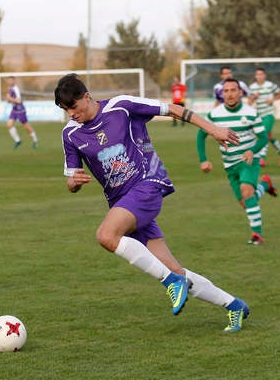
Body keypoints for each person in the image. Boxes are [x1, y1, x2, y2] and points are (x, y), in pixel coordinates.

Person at [55, 73, 251, 333]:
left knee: (106, 235)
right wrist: (74, 183)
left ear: (86, 96)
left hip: (147, 184)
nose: (71, 113)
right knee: (174, 269)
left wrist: (213, 130)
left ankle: (169, 282)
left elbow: (172, 109)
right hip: (122, 203)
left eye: (73, 106)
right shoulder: (70, 134)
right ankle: (234, 305)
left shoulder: (121, 106)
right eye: (65, 109)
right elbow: (71, 180)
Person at [197, 78, 277, 246]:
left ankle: (257, 235)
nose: (230, 94)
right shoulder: (215, 115)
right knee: (246, 203)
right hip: (229, 165)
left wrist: (252, 151)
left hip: (249, 161)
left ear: (240, 93)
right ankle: (265, 185)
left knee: (247, 192)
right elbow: (201, 135)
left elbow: (263, 138)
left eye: (233, 90)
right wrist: (203, 160)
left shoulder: (251, 113)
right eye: (226, 91)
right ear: (222, 94)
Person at [248, 66, 280, 167]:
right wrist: (254, 97)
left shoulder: (270, 85)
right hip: (259, 115)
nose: (259, 76)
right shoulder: (252, 87)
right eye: (257, 75)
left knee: (264, 134)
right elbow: (249, 102)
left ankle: (262, 158)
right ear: (255, 76)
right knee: (269, 136)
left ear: (264, 75)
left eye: (261, 74)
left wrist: (272, 99)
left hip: (269, 114)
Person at [5, 76, 39, 149]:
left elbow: (19, 101)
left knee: (26, 127)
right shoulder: (9, 89)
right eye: (8, 81)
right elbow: (9, 101)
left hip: (20, 110)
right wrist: (8, 99)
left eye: (10, 80)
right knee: (9, 124)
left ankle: (35, 140)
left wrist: (9, 98)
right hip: (14, 110)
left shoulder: (15, 89)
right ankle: (18, 141)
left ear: (13, 81)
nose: (9, 82)